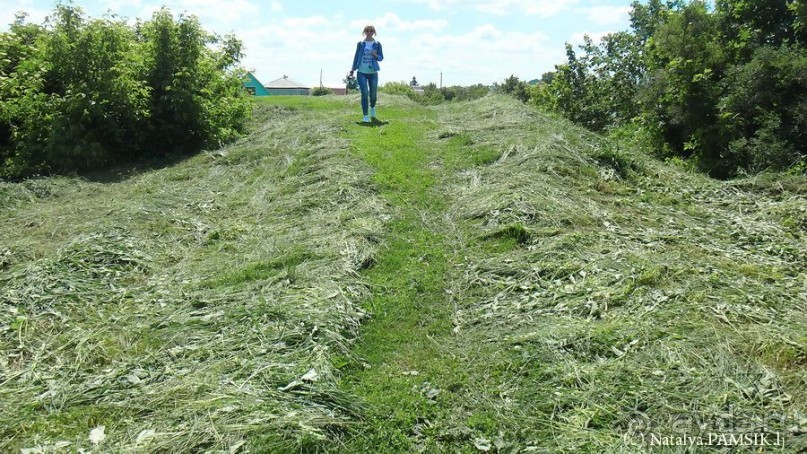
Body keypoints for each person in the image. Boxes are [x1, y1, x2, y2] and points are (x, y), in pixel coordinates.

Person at [349, 25, 384, 123]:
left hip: (373, 72)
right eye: (367, 30)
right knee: (364, 93)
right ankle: (365, 115)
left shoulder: (377, 44)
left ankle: (372, 107)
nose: (369, 32)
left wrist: (375, 55)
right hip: (361, 72)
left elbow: (381, 58)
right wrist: (353, 68)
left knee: (373, 95)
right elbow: (356, 57)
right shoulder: (360, 44)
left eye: (371, 30)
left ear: (374, 32)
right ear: (364, 32)